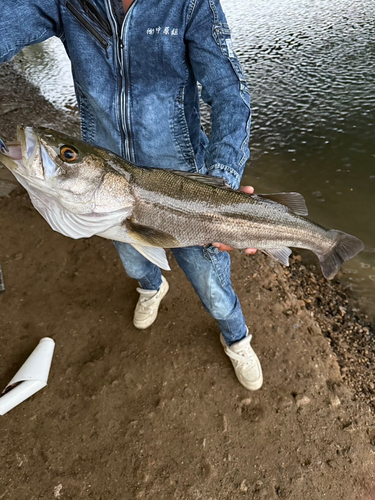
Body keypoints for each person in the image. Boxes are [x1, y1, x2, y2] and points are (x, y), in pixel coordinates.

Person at [0, 0, 263, 390]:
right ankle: (151, 287)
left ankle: (236, 336)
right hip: (106, 192)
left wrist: (222, 180)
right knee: (133, 257)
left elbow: (229, 93)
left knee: (211, 279)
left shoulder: (192, 5)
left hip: (187, 187)